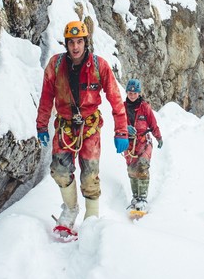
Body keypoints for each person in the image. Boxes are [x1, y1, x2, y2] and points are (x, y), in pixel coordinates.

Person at [36, 20, 129, 232]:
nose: (75, 47)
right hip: (65, 127)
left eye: (79, 42)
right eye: (71, 42)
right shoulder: (56, 66)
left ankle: (92, 219)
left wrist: (121, 131)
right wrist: (42, 126)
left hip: (90, 128)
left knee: (90, 175)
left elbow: (116, 99)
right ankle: (70, 209)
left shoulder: (99, 67)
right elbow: (46, 98)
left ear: (86, 42)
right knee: (60, 170)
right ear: (66, 44)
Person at [123, 78, 162, 212]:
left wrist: (159, 137)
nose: (132, 95)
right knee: (132, 170)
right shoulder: (122, 107)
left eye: (135, 93)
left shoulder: (144, 107)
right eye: (130, 92)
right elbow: (118, 124)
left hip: (143, 142)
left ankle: (143, 198)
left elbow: (153, 124)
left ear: (139, 93)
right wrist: (125, 128)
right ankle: (135, 197)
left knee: (142, 167)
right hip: (129, 144)